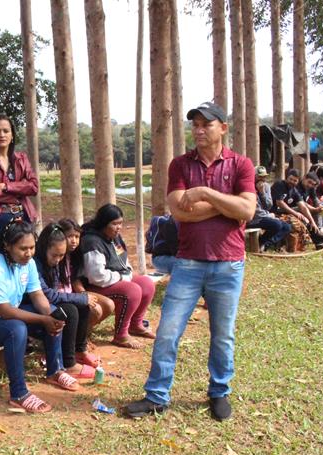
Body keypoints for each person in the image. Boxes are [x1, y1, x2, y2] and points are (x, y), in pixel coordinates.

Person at [123, 101, 255, 422]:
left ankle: (219, 393)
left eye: (206, 124)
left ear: (222, 128)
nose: (198, 129)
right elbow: (180, 211)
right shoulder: (180, 165)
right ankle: (157, 396)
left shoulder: (241, 165)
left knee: (222, 334)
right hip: (187, 264)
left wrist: (205, 194)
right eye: (195, 124)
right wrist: (228, 205)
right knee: (168, 331)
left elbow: (248, 211)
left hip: (228, 263)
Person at [0, 220, 79, 414]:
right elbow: (5, 312)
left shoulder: (28, 263)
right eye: (23, 248)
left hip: (5, 319)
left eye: (32, 247)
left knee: (52, 312)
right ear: (7, 246)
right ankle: (19, 393)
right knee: (17, 328)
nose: (29, 253)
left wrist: (51, 315)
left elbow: (37, 295)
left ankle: (55, 370)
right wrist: (43, 319)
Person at [77, 204, 156, 350]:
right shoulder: (92, 241)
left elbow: (123, 259)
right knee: (133, 291)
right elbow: (97, 276)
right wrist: (121, 277)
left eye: (120, 223)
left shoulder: (115, 237)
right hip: (95, 285)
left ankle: (136, 324)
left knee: (147, 284)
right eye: (114, 224)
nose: (119, 227)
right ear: (103, 223)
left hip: (116, 278)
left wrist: (128, 273)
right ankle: (121, 334)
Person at [33, 223, 101, 379]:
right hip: (34, 304)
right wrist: (80, 297)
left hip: (47, 301)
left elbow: (55, 290)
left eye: (61, 256)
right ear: (44, 249)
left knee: (82, 307)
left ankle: (79, 351)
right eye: (55, 255)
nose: (58, 260)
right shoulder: (35, 264)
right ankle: (69, 363)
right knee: (70, 310)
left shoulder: (55, 262)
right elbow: (48, 294)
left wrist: (80, 299)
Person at [0, 114, 39, 254]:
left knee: (25, 259)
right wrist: (19, 194)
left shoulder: (21, 158)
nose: (2, 134)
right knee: (0, 262)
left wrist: (7, 187)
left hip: (24, 217)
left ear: (12, 135)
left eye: (6, 131)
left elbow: (33, 186)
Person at [57, 218, 114, 360]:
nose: (74, 241)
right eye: (70, 236)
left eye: (77, 237)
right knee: (94, 309)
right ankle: (75, 343)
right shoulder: (55, 254)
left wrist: (83, 293)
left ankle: (81, 338)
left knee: (108, 304)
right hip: (61, 296)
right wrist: (81, 297)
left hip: (72, 292)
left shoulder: (74, 255)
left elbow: (74, 278)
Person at [270, 169, 323, 250]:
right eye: (291, 179)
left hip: (286, 212)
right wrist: (296, 214)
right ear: (287, 178)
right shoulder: (279, 184)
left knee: (305, 217)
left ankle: (319, 239)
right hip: (274, 212)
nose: (292, 182)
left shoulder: (294, 190)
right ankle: (319, 239)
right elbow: (280, 203)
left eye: (295, 180)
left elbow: (303, 206)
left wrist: (312, 222)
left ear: (298, 181)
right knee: (301, 216)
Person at [245, 165, 291, 252]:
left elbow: (269, 206)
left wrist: (262, 193)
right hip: (253, 218)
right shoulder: (248, 186)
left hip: (263, 216)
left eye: (264, 177)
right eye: (259, 176)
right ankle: (261, 242)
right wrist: (269, 215)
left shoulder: (266, 186)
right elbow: (255, 211)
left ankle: (264, 244)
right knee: (276, 225)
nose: (262, 179)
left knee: (287, 227)